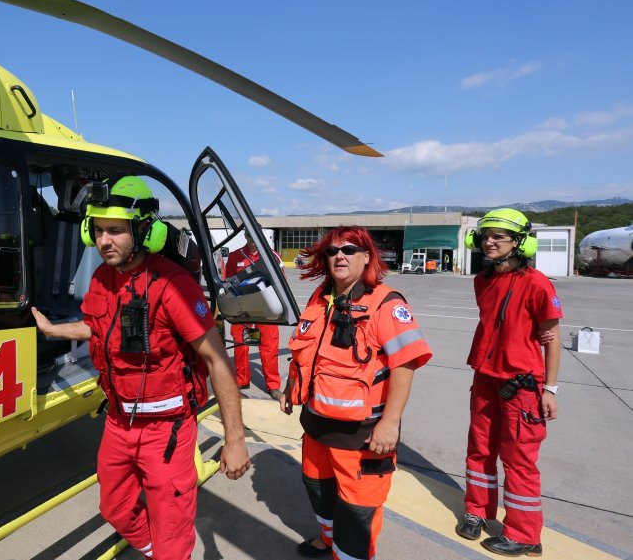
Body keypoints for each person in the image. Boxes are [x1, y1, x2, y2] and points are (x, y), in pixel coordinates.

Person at [32, 176, 250, 560]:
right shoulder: (103, 278)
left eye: (115, 231)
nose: (103, 242)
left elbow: (217, 360)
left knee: (172, 534)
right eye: (97, 230)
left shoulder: (174, 285)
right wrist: (54, 329)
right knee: (115, 509)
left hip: (167, 431)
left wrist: (235, 440)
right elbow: (99, 325)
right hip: (118, 424)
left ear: (144, 231)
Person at [279, 226, 432, 559]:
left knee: (357, 511)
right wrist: (291, 385)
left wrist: (390, 424)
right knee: (318, 489)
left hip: (361, 436)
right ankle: (328, 539)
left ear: (366, 257)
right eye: (332, 252)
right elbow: (308, 349)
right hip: (317, 426)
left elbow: (405, 365)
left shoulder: (386, 303)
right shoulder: (321, 297)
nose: (340, 257)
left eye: (349, 250)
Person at [455, 208, 561, 557]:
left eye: (499, 236)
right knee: (480, 449)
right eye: (485, 235)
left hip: (522, 387)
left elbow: (552, 337)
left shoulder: (537, 283)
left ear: (520, 242)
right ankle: (477, 512)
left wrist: (551, 388)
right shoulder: (481, 281)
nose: (489, 241)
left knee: (519, 461)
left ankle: (525, 534)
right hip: (485, 378)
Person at [224, 233, 285, 399]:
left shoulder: (272, 256)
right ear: (245, 237)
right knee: (240, 343)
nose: (252, 242)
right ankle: (242, 379)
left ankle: (273, 385)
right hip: (244, 308)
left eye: (255, 239)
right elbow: (228, 281)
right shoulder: (235, 256)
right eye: (249, 238)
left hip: (265, 310)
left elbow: (282, 283)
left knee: (269, 345)